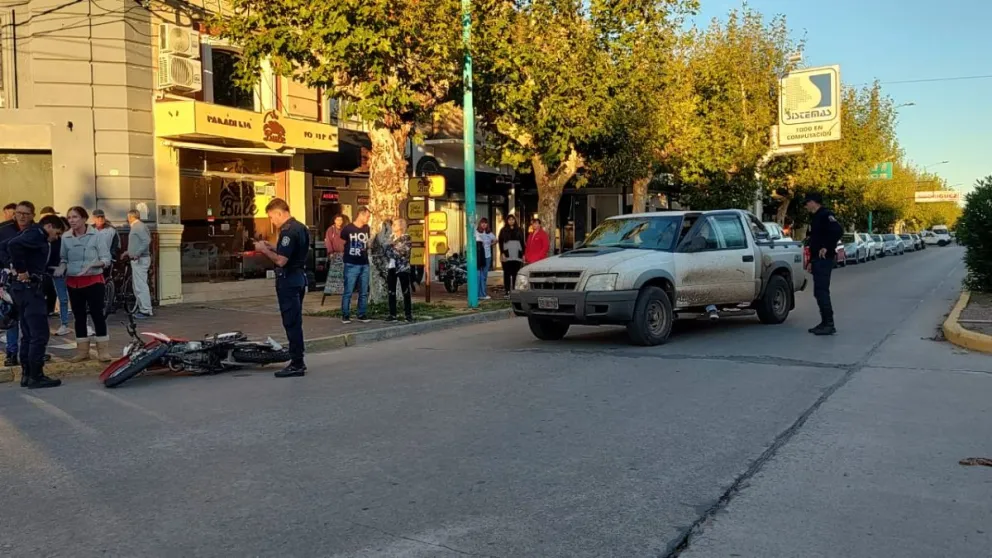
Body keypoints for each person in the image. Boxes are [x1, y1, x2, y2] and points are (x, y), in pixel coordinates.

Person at [2, 214, 66, 388]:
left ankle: (27, 375)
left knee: (28, 334)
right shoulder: (37, 234)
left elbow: (6, 246)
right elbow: (12, 245)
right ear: (50, 226)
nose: (56, 237)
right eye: (57, 233)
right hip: (30, 290)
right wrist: (21, 269)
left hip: (21, 290)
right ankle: (36, 376)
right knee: (39, 334)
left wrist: (13, 267)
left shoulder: (30, 233)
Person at [254, 198, 309, 377]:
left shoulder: (287, 231)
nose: (272, 221)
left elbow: (281, 260)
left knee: (291, 322)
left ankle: (297, 363)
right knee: (295, 320)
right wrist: (273, 246)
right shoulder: (300, 227)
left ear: (279, 213)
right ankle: (298, 359)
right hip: (299, 277)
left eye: (271, 217)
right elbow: (290, 251)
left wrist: (264, 250)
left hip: (288, 280)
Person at [58, 206, 114, 362]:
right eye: (69, 217)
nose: (72, 220)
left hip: (93, 281)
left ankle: (103, 351)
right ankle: (82, 351)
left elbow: (106, 259)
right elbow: (63, 258)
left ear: (84, 219)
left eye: (75, 217)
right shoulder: (65, 237)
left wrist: (91, 266)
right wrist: (62, 267)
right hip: (73, 281)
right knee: (79, 316)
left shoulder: (96, 236)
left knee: (97, 315)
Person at [0, 201, 35, 367]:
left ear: (32, 215)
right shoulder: (4, 230)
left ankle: (33, 351)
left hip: (31, 279)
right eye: (19, 213)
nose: (22, 216)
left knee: (32, 318)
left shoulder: (36, 231)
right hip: (10, 279)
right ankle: (12, 352)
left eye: (26, 214)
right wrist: (8, 266)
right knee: (12, 317)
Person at [804, 192, 844, 336]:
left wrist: (827, 246)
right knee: (818, 292)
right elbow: (815, 241)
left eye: (807, 202)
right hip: (817, 259)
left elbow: (838, 231)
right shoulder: (815, 217)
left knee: (822, 291)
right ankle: (824, 322)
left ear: (814, 202)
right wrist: (810, 261)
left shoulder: (825, 214)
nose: (806, 205)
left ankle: (829, 324)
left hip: (824, 259)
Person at [38, 208, 71, 335]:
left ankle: (66, 324)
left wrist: (62, 266)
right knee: (57, 298)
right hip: (50, 272)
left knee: (66, 298)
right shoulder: (45, 239)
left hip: (61, 271)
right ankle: (61, 323)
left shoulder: (62, 241)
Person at [340, 207, 371, 324]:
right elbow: (342, 241)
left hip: (364, 262)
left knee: (363, 291)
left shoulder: (366, 228)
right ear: (361, 215)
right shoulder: (348, 229)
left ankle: (361, 313)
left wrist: (368, 246)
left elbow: (367, 242)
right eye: (367, 216)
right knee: (348, 290)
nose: (368, 219)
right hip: (351, 262)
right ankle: (345, 314)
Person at [124, 209, 153, 318]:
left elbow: (146, 240)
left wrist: (137, 253)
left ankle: (146, 310)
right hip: (138, 258)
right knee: (138, 285)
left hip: (140, 259)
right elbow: (139, 242)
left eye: (128, 217)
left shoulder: (138, 227)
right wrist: (129, 252)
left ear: (131, 217)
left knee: (140, 285)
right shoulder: (139, 226)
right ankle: (142, 308)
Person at [384, 218, 413, 322]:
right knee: (391, 291)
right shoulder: (391, 238)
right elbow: (386, 252)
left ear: (400, 226)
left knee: (405, 291)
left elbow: (400, 252)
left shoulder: (406, 238)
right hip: (391, 267)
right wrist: (391, 248)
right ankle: (392, 314)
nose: (392, 227)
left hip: (403, 268)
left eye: (394, 225)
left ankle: (408, 315)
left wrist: (390, 248)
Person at [498, 214, 526, 297]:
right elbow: (500, 242)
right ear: (507, 221)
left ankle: (515, 290)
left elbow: (522, 242)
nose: (511, 221)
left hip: (517, 254)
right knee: (506, 273)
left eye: (512, 219)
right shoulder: (503, 230)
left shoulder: (519, 230)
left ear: (515, 220)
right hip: (507, 254)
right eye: (509, 219)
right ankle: (507, 291)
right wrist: (502, 253)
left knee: (515, 273)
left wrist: (523, 254)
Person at [322, 214, 347, 297]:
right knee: (333, 272)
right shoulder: (330, 230)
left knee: (343, 272)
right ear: (335, 221)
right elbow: (328, 241)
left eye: (341, 220)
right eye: (338, 220)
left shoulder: (344, 229)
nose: (339, 222)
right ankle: (331, 290)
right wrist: (330, 252)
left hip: (343, 253)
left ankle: (341, 289)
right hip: (334, 253)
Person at [92, 209, 121, 279]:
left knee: (104, 279)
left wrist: (112, 256)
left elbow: (117, 245)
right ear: (93, 219)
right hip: (92, 260)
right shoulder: (89, 230)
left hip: (106, 260)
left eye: (102, 217)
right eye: (98, 217)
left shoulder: (112, 230)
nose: (100, 219)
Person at [475, 218, 497, 300]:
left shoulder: (489, 233)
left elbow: (495, 240)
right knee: (478, 275)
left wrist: (490, 245)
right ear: (480, 224)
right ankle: (478, 293)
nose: (484, 225)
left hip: (487, 256)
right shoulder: (476, 232)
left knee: (484, 276)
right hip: (479, 256)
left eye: (485, 223)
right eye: (482, 223)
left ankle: (482, 293)